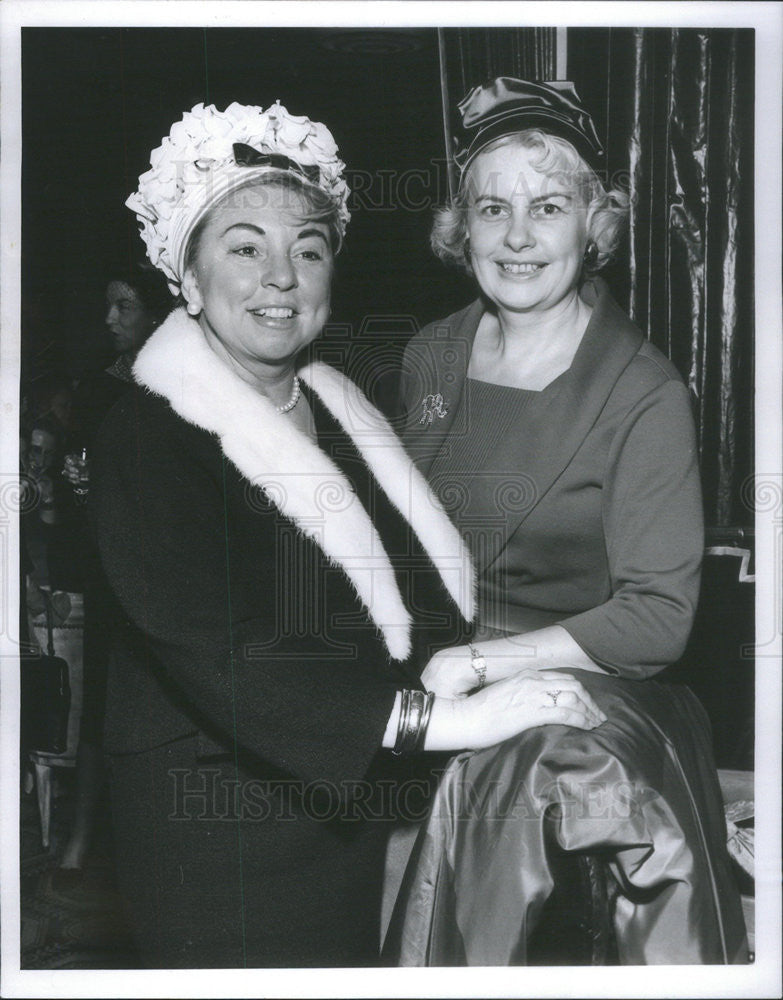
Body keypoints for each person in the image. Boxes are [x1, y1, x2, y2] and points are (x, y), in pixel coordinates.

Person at [91, 101, 607, 968]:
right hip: (218, 832)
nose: (281, 277)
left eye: (309, 250)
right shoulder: (145, 435)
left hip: (337, 822)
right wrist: (437, 722)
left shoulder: (338, 407)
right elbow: (224, 651)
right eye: (245, 247)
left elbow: (410, 599)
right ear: (186, 275)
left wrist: (492, 670)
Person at [388, 78, 748, 965]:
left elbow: (657, 619)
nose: (516, 237)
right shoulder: (431, 351)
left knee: (521, 775)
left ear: (594, 226)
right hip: (442, 681)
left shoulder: (644, 393)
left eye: (547, 206)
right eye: (492, 207)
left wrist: (484, 664)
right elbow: (397, 541)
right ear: (458, 227)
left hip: (591, 686)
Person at [58, 266, 171, 874]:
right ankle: (78, 845)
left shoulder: (182, 384)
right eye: (109, 306)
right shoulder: (97, 389)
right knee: (103, 706)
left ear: (154, 313)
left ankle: (145, 850)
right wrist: (80, 486)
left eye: (123, 306)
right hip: (112, 572)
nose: (110, 320)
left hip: (170, 571)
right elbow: (78, 479)